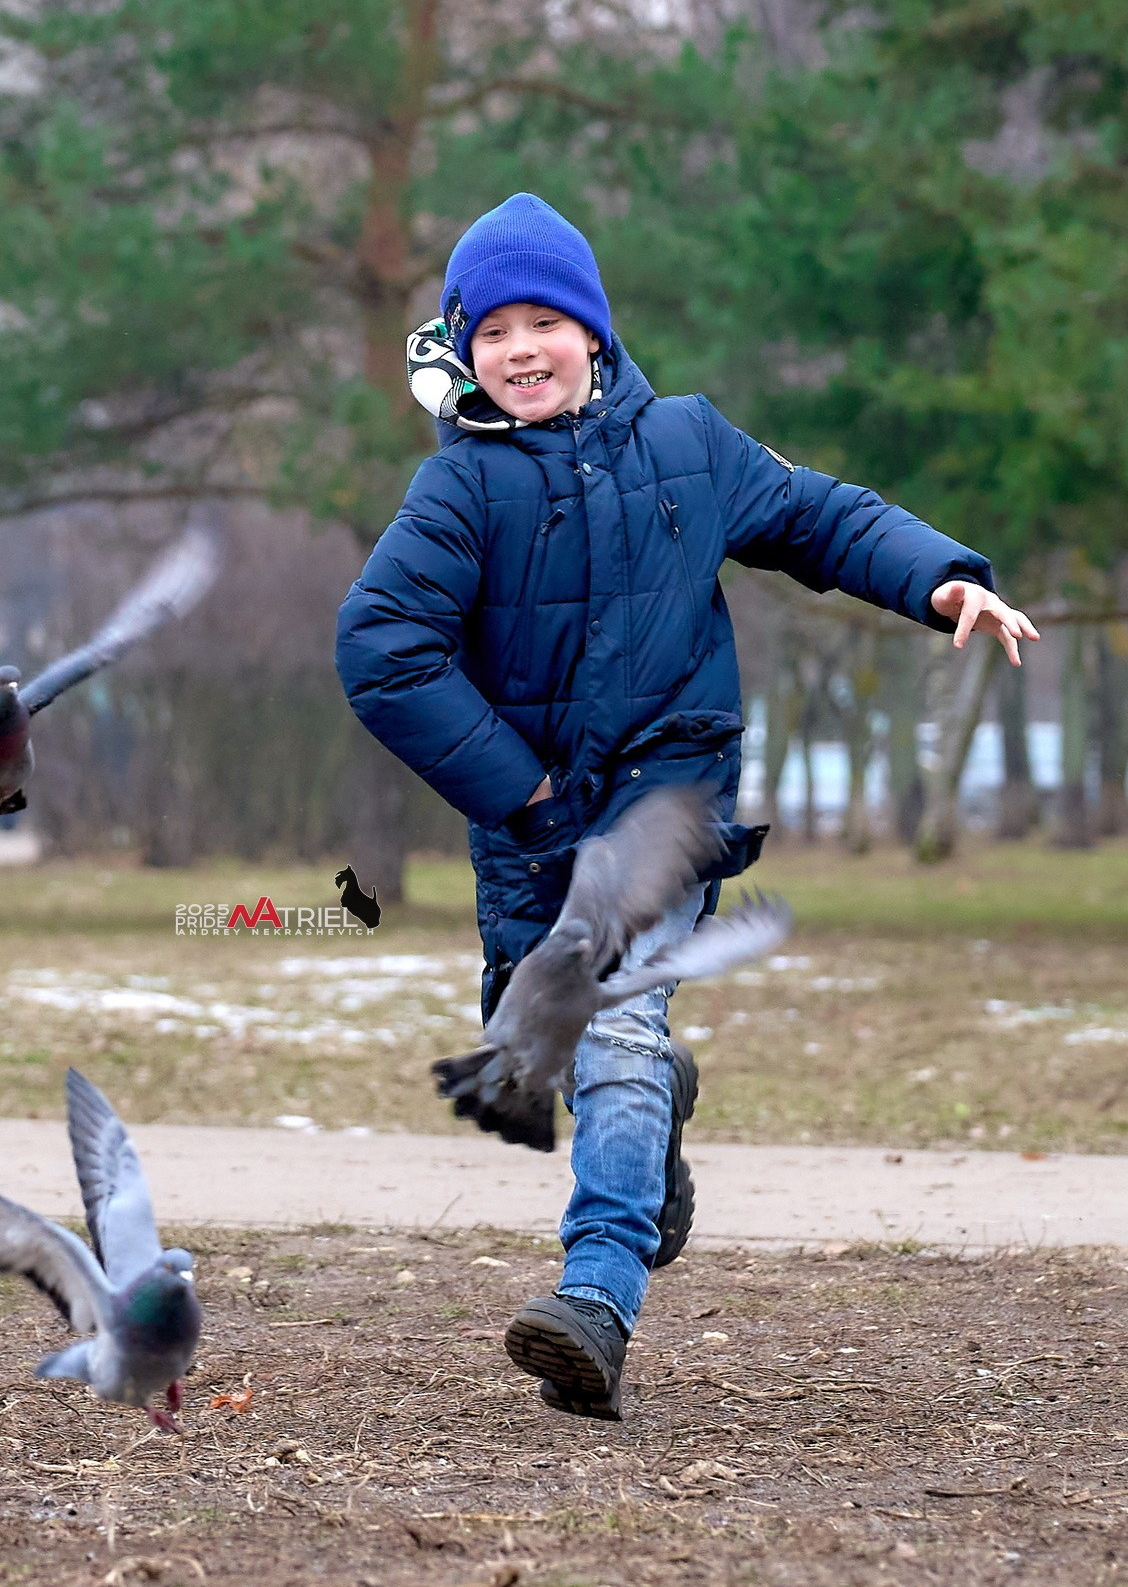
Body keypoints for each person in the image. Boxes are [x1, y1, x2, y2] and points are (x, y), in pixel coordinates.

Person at [335, 193, 1036, 1421]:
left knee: (610, 1033)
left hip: (666, 810)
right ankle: (656, 1119)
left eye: (544, 320)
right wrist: (526, 789)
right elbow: (380, 646)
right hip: (535, 836)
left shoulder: (690, 447)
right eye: (491, 331)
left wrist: (940, 578)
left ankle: (593, 1299)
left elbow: (822, 517)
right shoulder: (458, 496)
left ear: (593, 332)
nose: (520, 349)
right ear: (465, 353)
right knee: (535, 1049)